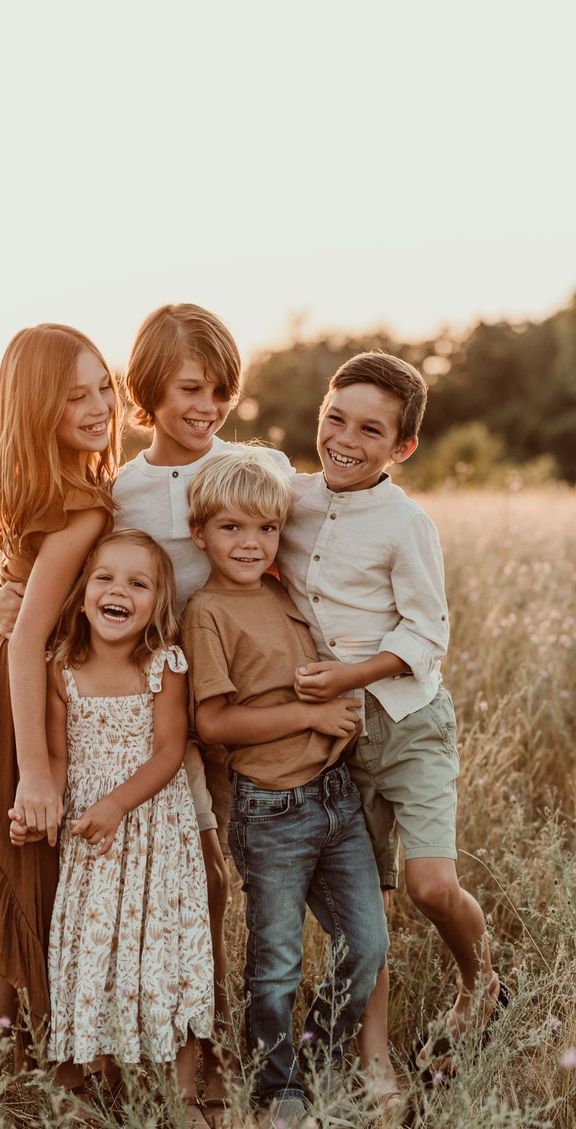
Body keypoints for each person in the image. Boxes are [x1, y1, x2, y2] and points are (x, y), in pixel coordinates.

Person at [0, 303, 293, 1123]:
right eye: (191, 386)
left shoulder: (255, 466)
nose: (209, 403)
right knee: (149, 868)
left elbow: (291, 563)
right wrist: (2, 598)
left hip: (234, 699)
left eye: (222, 388)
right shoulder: (117, 490)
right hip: (145, 707)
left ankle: (205, 1038)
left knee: (217, 879)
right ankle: (112, 1044)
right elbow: (76, 577)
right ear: (149, 393)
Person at [277, 351, 506, 1103]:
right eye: (334, 418)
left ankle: (483, 980)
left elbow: (426, 633)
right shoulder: (291, 498)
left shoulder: (407, 522)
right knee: (365, 904)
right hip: (333, 736)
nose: (345, 439)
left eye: (371, 429)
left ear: (401, 446)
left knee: (430, 884)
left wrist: (346, 673)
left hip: (409, 723)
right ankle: (376, 1066)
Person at [0, 323, 120, 1127]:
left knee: (28, 892)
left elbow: (19, 601)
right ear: (37, 408)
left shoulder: (50, 483)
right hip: (17, 699)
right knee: (22, 891)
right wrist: (38, 774)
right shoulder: (78, 501)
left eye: (103, 386)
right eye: (75, 395)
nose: (99, 406)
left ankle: (39, 1082)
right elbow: (31, 635)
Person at [181, 449, 389, 1128]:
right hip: (270, 809)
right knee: (275, 962)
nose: (251, 543)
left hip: (335, 798)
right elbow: (213, 721)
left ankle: (318, 1053)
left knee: (367, 944)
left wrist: (339, 711)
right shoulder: (208, 610)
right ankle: (278, 1089)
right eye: (233, 528)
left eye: (266, 529)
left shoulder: (283, 592)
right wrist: (306, 714)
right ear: (200, 533)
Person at [10, 529, 214, 1126]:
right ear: (80, 595)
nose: (117, 590)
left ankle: (182, 1099)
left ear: (157, 603)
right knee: (91, 954)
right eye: (104, 577)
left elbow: (168, 752)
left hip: (155, 836)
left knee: (164, 958)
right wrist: (37, 815)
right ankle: (78, 1088)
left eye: (137, 582)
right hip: (92, 843)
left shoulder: (164, 665)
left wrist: (118, 804)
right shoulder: (60, 669)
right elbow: (57, 760)